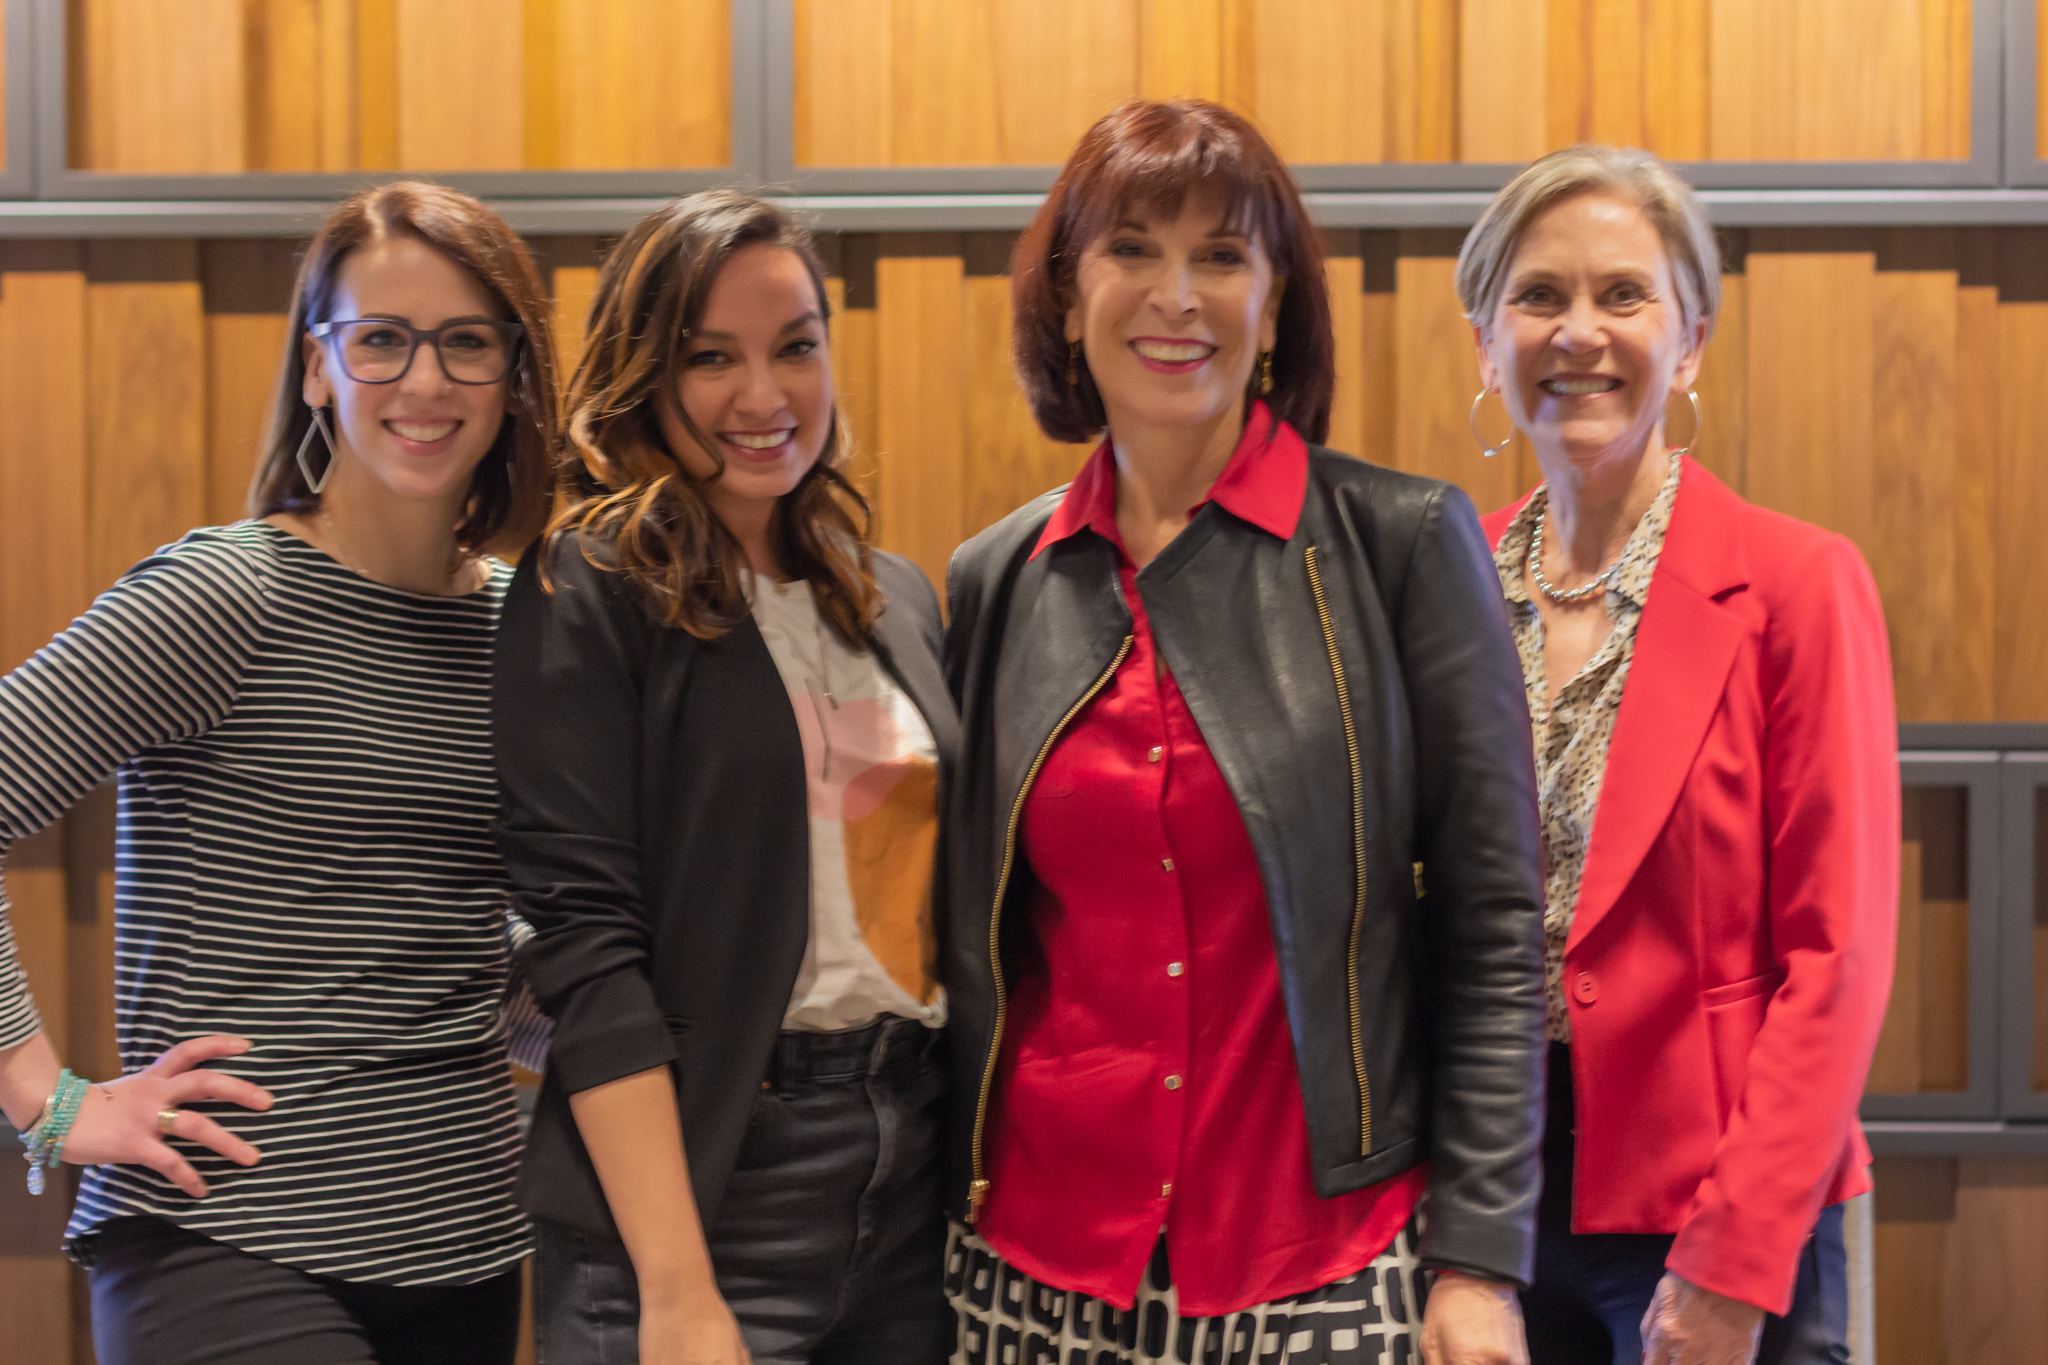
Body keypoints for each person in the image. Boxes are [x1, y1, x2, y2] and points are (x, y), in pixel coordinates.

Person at [941, 99, 1546, 1365]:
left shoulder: (1401, 546)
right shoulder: (998, 577)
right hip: (1034, 1261)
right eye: (1130, 250)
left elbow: (1492, 923)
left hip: (1312, 1259)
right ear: (1064, 295)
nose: (1176, 295)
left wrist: (1479, 1261)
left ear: (1273, 305)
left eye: (1221, 257)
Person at [0, 180, 560, 1364]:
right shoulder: (231, 596)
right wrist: (48, 1101)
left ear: (513, 378)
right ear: (319, 368)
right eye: (382, 340)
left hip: (464, 1243)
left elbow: (450, 942)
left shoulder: (524, 629)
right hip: (225, 1239)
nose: (425, 381)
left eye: (467, 343)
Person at [495, 190, 958, 1365]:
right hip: (703, 1182)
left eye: (795, 347)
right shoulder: (589, 582)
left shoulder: (888, 592)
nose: (765, 396)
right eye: (712, 358)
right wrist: (676, 1283)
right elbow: (585, 951)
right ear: (647, 374)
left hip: (904, 1176)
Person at [1458, 144, 1896, 1365]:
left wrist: (1732, 1259)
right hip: (1490, 1201)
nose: (1576, 332)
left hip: (1720, 1198)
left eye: (1622, 295)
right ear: (1484, 343)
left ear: (1688, 339)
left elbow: (1838, 958)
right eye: (1537, 296)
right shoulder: (1438, 581)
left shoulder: (1798, 585)